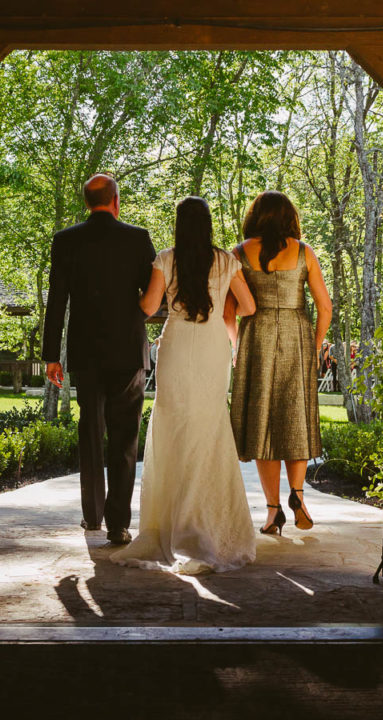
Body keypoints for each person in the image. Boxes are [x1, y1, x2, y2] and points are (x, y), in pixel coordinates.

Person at [110, 196, 257, 574]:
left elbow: (148, 307)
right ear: (207, 225)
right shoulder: (226, 261)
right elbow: (249, 306)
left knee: (175, 428)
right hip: (212, 348)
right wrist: (222, 304)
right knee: (208, 428)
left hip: (176, 348)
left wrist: (133, 291)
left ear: (179, 225)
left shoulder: (166, 259)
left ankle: (171, 525)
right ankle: (205, 525)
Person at [42, 173, 155, 545]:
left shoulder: (66, 241)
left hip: (85, 352)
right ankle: (118, 524)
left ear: (86, 203)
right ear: (116, 201)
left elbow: (56, 300)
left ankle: (92, 516)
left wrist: (50, 357)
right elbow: (152, 298)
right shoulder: (137, 239)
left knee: (90, 432)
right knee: (124, 437)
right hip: (127, 350)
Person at [229, 190, 332, 535]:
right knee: (295, 416)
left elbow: (232, 310)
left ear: (255, 217)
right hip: (297, 335)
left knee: (262, 422)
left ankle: (273, 512)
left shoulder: (240, 254)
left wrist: (233, 347)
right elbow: (325, 307)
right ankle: (298, 494)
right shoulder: (305, 253)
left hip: (256, 336)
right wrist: (315, 345)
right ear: (290, 217)